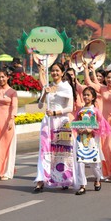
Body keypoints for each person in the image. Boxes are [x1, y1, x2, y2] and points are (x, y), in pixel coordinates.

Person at [33, 62, 75, 193]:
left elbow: (70, 108)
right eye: (53, 71)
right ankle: (41, 180)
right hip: (47, 123)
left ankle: (64, 178)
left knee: (61, 151)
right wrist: (45, 94)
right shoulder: (48, 86)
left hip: (61, 122)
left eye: (57, 71)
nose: (55, 73)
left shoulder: (66, 87)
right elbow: (40, 105)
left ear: (62, 73)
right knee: (44, 151)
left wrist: (56, 112)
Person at [72, 87, 111, 195]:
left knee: (94, 163)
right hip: (80, 139)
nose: (85, 97)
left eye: (88, 95)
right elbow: (75, 122)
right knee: (80, 161)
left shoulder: (95, 111)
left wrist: (91, 129)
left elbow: (101, 124)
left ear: (93, 97)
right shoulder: (80, 111)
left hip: (92, 140)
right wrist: (78, 129)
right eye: (84, 95)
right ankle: (82, 185)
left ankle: (98, 179)